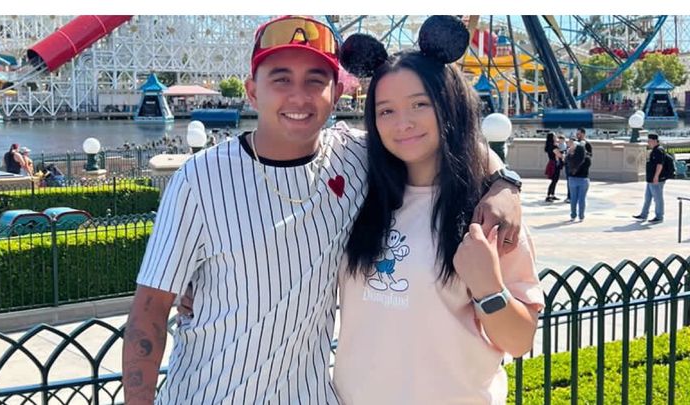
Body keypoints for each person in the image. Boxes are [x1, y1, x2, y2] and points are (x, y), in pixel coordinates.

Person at [122, 15, 522, 405]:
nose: (299, 97)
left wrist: (505, 184)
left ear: (338, 93)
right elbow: (149, 312)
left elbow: (433, 139)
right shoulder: (199, 179)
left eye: (316, 81)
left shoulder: (354, 156)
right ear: (252, 92)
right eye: (281, 79)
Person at [333, 16, 543, 404]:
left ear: (448, 104)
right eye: (386, 111)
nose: (403, 123)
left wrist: (488, 288)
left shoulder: (487, 213)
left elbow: (519, 340)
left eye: (420, 104)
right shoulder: (359, 190)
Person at [633, 133, 666, 223]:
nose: (648, 143)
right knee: (647, 198)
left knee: (658, 199)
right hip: (650, 179)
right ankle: (644, 214)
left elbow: (660, 165)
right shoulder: (654, 150)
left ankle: (659, 216)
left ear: (655, 141)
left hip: (656, 179)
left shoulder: (659, 150)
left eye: (649, 141)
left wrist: (656, 176)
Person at [566, 142, 591, 222]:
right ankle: (581, 216)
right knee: (582, 199)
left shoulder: (571, 158)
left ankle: (573, 215)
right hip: (583, 180)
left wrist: (569, 152)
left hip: (572, 179)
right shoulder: (587, 159)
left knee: (573, 199)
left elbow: (566, 163)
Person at [544, 132, 562, 203]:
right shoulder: (553, 146)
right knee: (554, 180)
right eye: (554, 136)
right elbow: (559, 155)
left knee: (554, 180)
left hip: (552, 163)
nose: (556, 137)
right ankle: (549, 195)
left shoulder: (549, 146)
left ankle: (552, 194)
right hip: (554, 164)